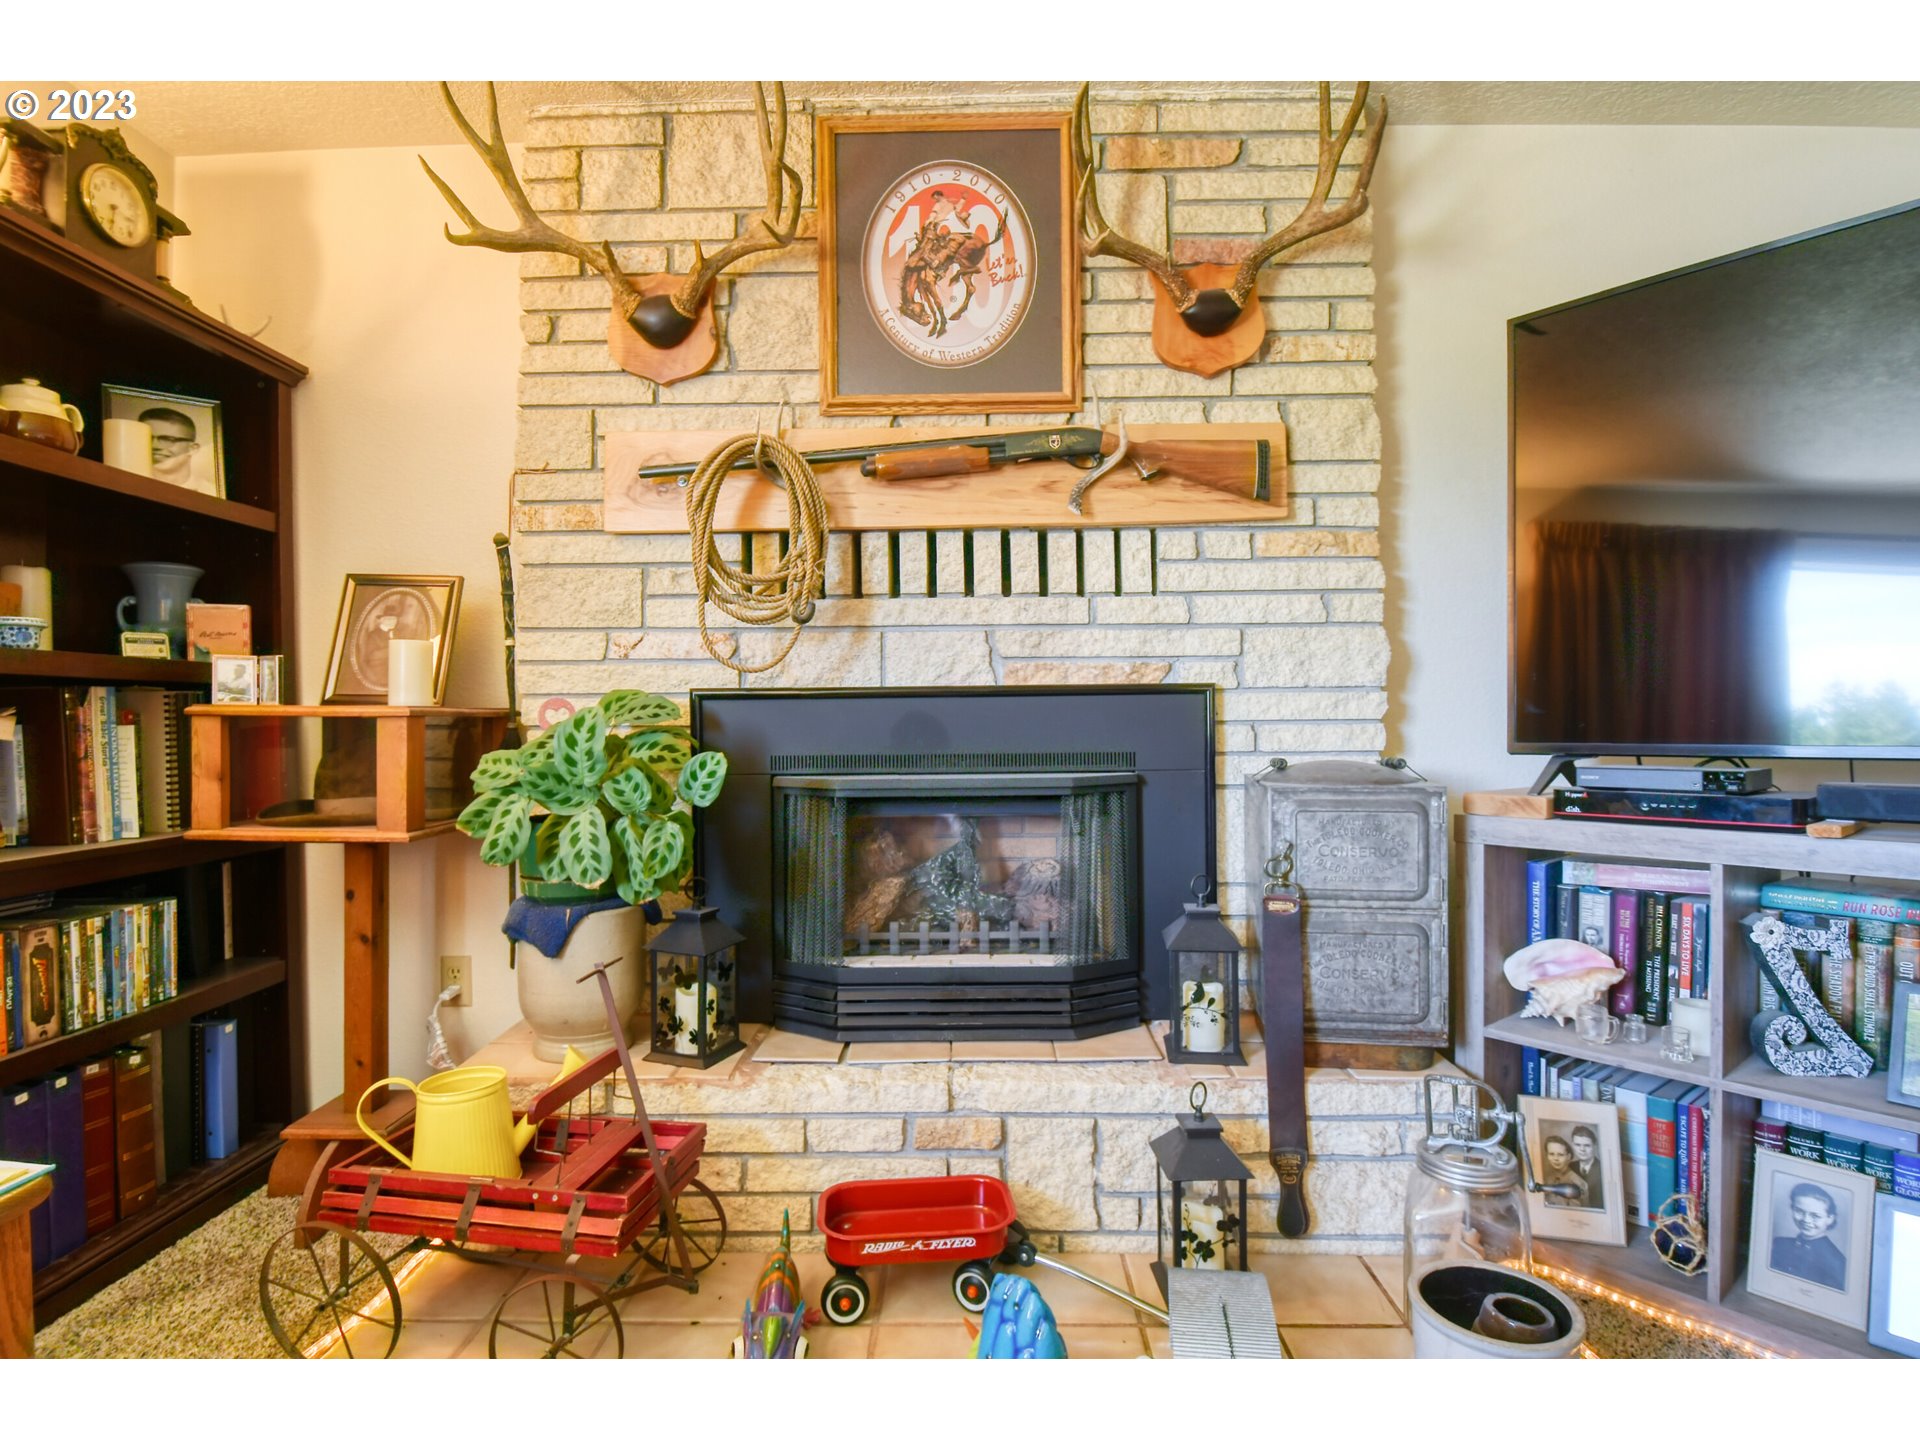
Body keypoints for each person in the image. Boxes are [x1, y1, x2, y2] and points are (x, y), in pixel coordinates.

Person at [1771, 1182, 1846, 1290]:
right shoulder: (1779, 1243)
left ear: (1830, 1218)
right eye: (1799, 1211)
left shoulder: (1837, 1261)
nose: (1806, 1220)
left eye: (1815, 1216)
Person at [140, 407, 202, 490]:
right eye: (147, 437)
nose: (154, 446)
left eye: (167, 439)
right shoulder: (125, 484)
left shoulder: (210, 494)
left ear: (193, 449)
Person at [1541, 1134, 1590, 1208]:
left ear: (1568, 1157)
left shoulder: (1578, 1184)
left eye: (1560, 1155)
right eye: (1551, 1154)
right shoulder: (1546, 1180)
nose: (1556, 1158)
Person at [1570, 1125, 1605, 1209]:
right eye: (1578, 1145)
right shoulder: (1570, 1167)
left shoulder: (1603, 1169)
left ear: (1594, 1146)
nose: (1582, 1149)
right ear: (1572, 1145)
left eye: (1587, 1145)